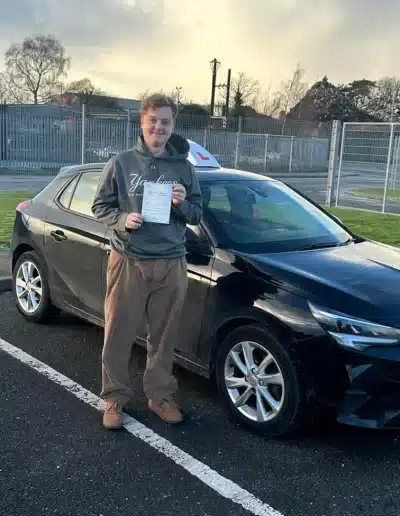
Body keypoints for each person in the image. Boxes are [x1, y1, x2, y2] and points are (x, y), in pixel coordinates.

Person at [91, 93, 202, 429]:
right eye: (153, 120)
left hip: (171, 262)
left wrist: (182, 203)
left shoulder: (184, 168)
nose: (159, 127)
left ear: (173, 125)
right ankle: (114, 397)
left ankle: (159, 396)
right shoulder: (121, 163)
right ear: (142, 122)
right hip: (129, 259)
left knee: (164, 337)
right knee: (118, 333)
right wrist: (122, 219)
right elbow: (100, 207)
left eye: (165, 122)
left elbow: (196, 214)